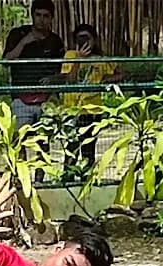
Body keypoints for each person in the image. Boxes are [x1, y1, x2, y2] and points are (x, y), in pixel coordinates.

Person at [59, 24, 121, 175]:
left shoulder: (100, 59)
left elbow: (120, 72)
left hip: (92, 110)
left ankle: (86, 180)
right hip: (72, 110)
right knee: (71, 149)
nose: (84, 41)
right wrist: (79, 60)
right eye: (80, 38)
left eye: (87, 38)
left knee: (88, 150)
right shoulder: (70, 56)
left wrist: (106, 81)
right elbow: (70, 80)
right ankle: (67, 178)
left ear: (94, 40)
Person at [3, 0, 65, 129]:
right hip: (21, 98)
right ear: (32, 15)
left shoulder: (55, 41)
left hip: (46, 100)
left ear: (51, 18)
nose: (41, 20)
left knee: (44, 142)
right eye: (38, 15)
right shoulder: (17, 34)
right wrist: (24, 42)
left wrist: (53, 79)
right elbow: (6, 61)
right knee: (19, 141)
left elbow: (63, 72)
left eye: (46, 16)